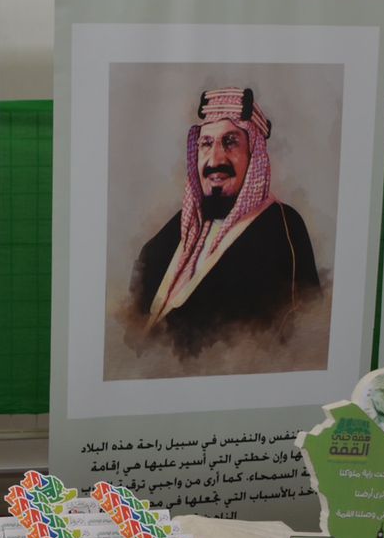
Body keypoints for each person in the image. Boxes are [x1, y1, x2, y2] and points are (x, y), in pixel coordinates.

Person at [131, 87, 321, 357]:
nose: (215, 159)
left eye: (230, 142)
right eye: (206, 144)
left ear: (253, 155)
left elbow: (301, 331)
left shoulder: (283, 228)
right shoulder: (170, 236)